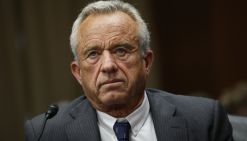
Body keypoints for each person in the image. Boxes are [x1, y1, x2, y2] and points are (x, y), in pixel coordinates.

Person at [24, 0, 234, 141]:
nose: (108, 66)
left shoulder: (203, 120)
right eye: (93, 54)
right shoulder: (45, 133)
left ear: (147, 61)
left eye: (121, 50)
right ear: (78, 72)